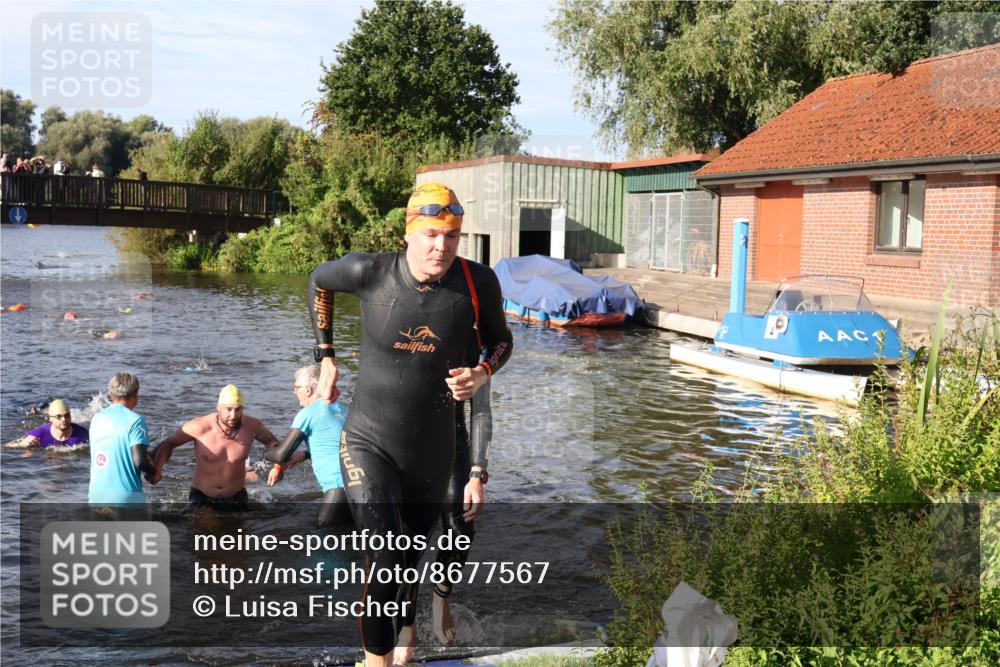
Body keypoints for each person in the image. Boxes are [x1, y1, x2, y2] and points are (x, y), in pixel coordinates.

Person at [308, 181, 512, 666]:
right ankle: (375, 661)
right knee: (383, 555)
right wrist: (326, 356)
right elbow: (318, 280)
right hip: (367, 441)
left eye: (452, 236)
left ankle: (405, 640)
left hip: (432, 452)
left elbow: (502, 343)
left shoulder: (477, 283)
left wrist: (483, 373)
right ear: (409, 233)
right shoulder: (370, 272)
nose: (441, 247)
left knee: (406, 567)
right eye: (431, 235)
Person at [150, 384, 280, 512]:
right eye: (228, 409)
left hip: (236, 495)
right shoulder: (199, 427)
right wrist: (157, 470)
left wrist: (277, 467)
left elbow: (272, 441)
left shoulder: (252, 426)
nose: (233, 415)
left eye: (238, 409)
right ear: (218, 408)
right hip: (202, 496)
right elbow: (169, 444)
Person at [265, 364, 351, 526]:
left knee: (325, 543)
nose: (294, 391)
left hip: (338, 488)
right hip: (359, 485)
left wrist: (267, 451)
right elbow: (338, 443)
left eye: (296, 387)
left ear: (308, 390)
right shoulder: (343, 409)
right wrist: (303, 455)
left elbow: (280, 455)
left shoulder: (308, 414)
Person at [88, 373, 155, 505]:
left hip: (96, 496)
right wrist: (154, 471)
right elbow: (139, 461)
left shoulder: (96, 419)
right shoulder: (136, 420)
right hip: (127, 499)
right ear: (136, 394)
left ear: (110, 394)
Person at [4, 399, 89, 449]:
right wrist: (21, 444)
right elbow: (6, 446)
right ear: (50, 418)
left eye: (67, 415)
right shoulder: (38, 435)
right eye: (58, 416)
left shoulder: (83, 434)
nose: (64, 419)